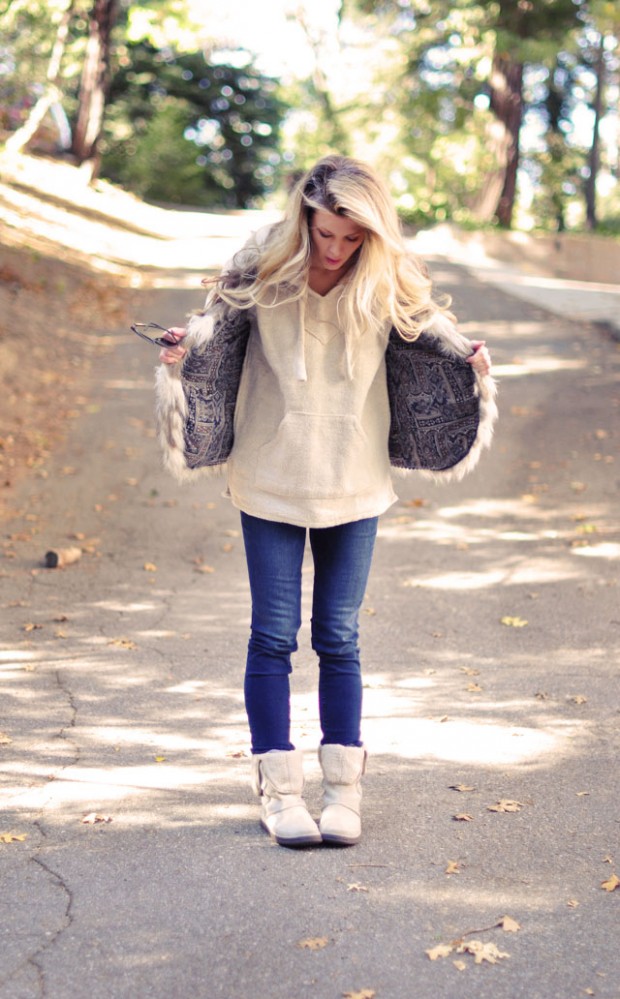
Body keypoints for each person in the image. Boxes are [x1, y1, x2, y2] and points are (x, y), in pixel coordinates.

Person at [156, 155, 494, 849]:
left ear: (371, 233)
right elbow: (213, 333)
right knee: (273, 636)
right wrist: (181, 352)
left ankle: (344, 789)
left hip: (356, 478)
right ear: (302, 220)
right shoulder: (260, 267)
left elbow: (428, 334)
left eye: (350, 237)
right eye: (324, 233)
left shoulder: (386, 277)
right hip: (272, 474)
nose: (335, 249)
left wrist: (470, 362)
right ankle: (280, 792)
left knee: (338, 636)